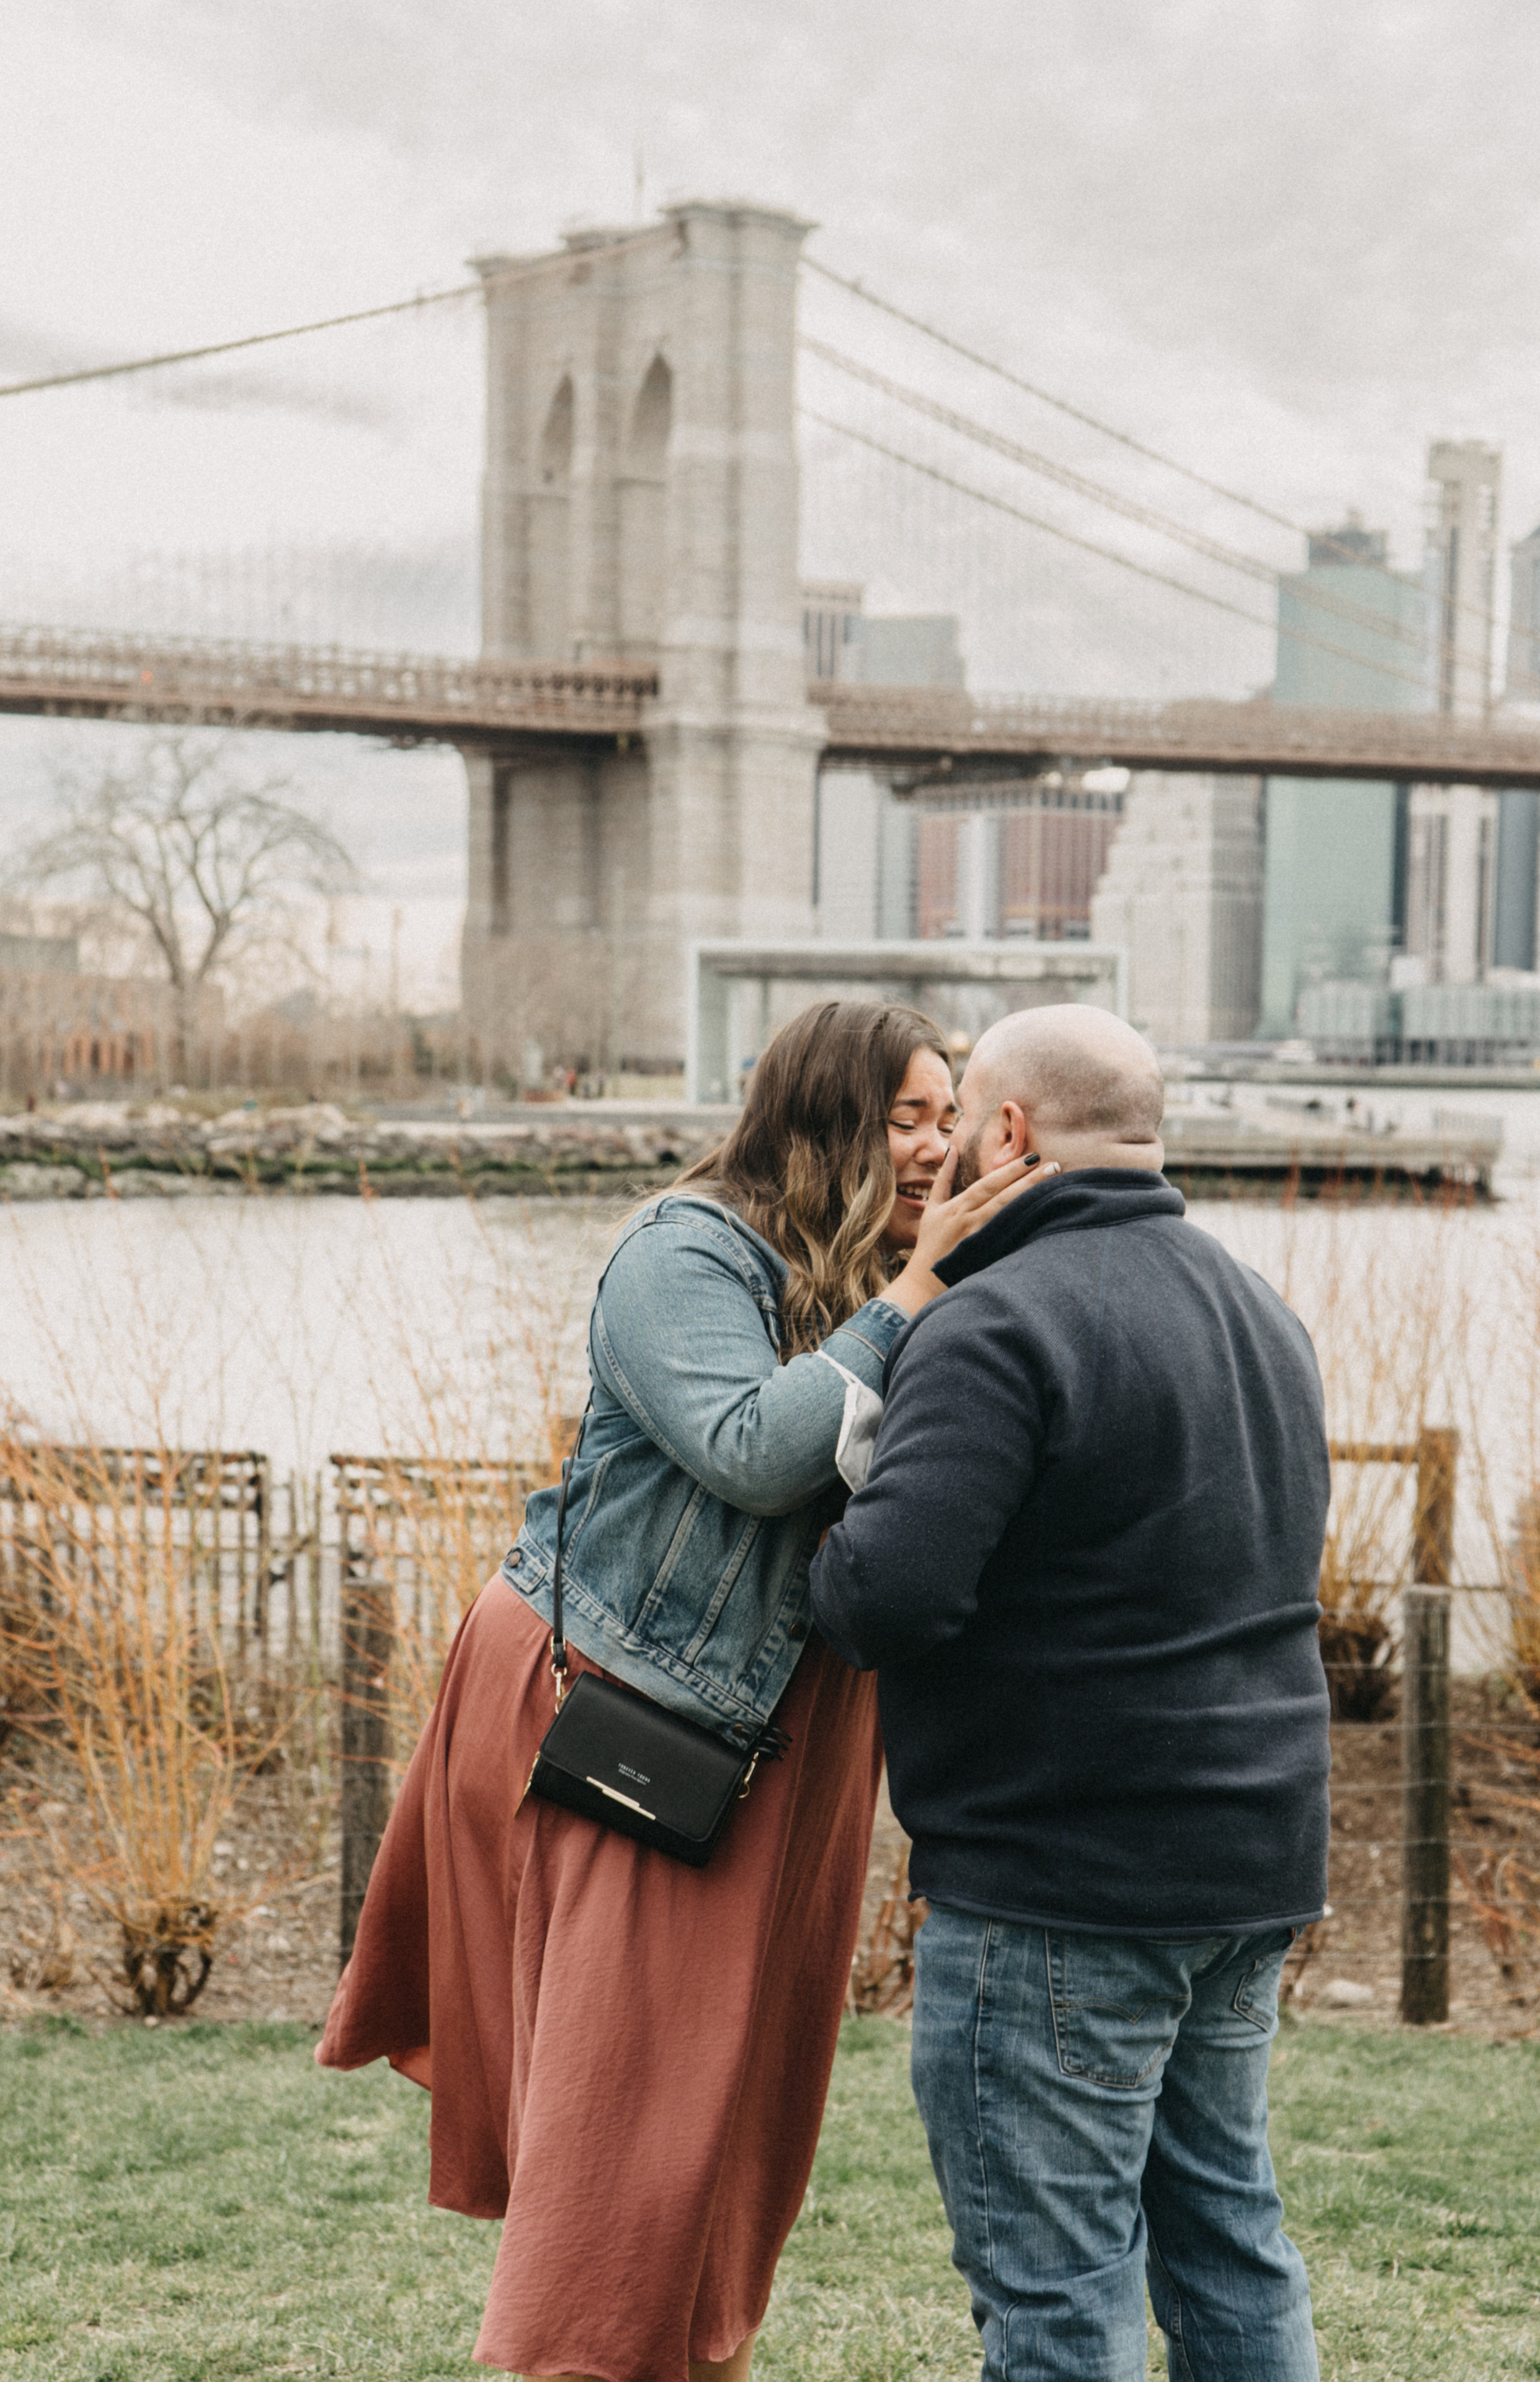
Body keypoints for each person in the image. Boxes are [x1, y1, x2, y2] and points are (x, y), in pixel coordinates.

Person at [318, 997, 1050, 2382]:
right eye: (905, 1117)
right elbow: (751, 1453)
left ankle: (696, 2352)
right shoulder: (687, 1250)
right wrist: (912, 1299)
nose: (933, 1147)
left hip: (794, 1725)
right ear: (820, 1115)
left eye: (949, 1119)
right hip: (624, 1707)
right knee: (623, 2131)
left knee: (732, 2109)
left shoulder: (884, 1267)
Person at [810, 1003, 1332, 2382]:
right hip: (1247, 1861)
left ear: (1012, 1132)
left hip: (1059, 1884)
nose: (939, 1153)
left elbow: (885, 1598)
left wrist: (808, 1531)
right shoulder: (1258, 1315)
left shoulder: (994, 1325)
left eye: (960, 1116)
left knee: (1056, 2296)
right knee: (1229, 2247)